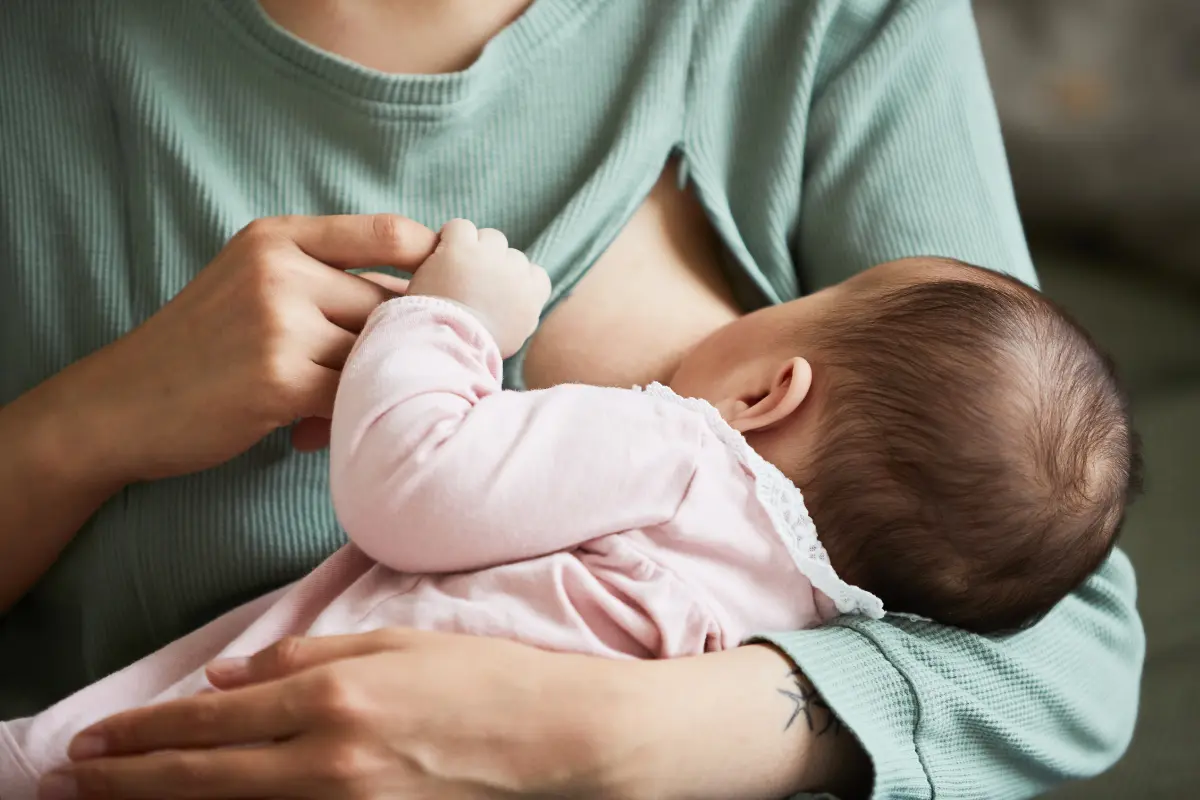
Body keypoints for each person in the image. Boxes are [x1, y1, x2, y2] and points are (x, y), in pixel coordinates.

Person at [0, 2, 1143, 799]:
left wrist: (618, 739)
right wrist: (83, 426)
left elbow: (1063, 645)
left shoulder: (824, 23)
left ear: (768, 387)